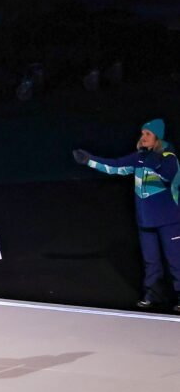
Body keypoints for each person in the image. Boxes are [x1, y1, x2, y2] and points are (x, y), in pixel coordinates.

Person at [73, 119, 180, 312]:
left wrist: (150, 158)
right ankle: (153, 295)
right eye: (142, 133)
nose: (143, 137)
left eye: (148, 134)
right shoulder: (140, 157)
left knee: (176, 260)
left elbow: (169, 175)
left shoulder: (168, 156)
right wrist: (89, 160)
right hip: (146, 221)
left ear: (158, 136)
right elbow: (115, 166)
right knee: (151, 260)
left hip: (169, 220)